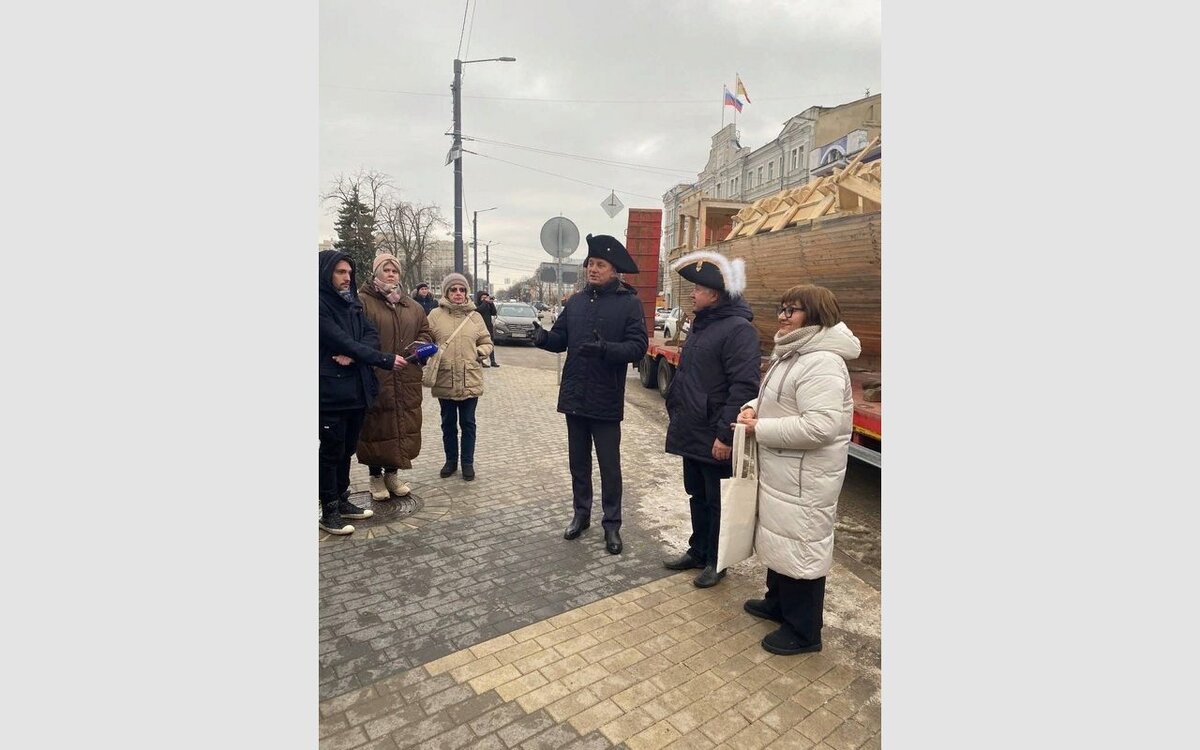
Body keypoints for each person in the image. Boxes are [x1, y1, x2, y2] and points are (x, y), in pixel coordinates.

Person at [736, 284, 861, 655]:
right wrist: (753, 408)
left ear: (816, 315)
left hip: (806, 477)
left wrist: (761, 429)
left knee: (802, 547)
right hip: (787, 470)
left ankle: (805, 631)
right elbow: (778, 398)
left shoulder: (821, 361)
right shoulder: (795, 352)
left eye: (792, 310)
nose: (782, 316)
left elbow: (820, 427)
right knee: (781, 540)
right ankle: (778, 603)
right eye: (782, 308)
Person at [529, 234, 648, 555]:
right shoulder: (577, 301)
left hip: (606, 399)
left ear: (614, 270)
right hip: (575, 396)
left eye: (600, 264)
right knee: (578, 464)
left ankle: (612, 525)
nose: (593, 269)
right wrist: (542, 338)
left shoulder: (629, 303)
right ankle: (581, 516)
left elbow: (639, 347)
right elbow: (561, 339)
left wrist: (606, 350)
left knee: (610, 466)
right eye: (591, 264)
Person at [661, 251, 762, 588]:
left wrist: (723, 435)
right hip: (692, 428)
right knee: (697, 495)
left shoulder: (738, 330)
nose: (692, 294)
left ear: (715, 295)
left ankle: (716, 561)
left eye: (698, 290)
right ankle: (698, 549)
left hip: (713, 433)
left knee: (717, 500)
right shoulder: (704, 326)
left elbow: (743, 388)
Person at [318, 250, 407, 535]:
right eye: (339, 272)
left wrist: (355, 355)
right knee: (330, 452)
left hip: (357, 390)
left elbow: (370, 334)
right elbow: (337, 338)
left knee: (346, 449)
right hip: (330, 392)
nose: (346, 278)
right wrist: (380, 359)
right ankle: (328, 508)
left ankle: (343, 499)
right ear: (325, 273)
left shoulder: (351, 302)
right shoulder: (319, 303)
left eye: (348, 273)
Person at [355, 254, 434, 503]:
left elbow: (425, 332)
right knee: (376, 426)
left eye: (395, 271)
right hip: (376, 376)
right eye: (386, 270)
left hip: (407, 375)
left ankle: (392, 475)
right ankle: (375, 476)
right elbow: (357, 338)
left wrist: (420, 349)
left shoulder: (413, 306)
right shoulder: (362, 302)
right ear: (376, 272)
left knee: (401, 424)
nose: (391, 274)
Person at [426, 273, 493, 481]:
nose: (458, 294)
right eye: (453, 290)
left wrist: (480, 352)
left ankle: (467, 463)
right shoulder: (435, 316)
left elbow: (487, 341)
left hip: (469, 378)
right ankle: (450, 461)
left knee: (468, 423)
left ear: (466, 293)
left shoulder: (475, 317)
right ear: (446, 292)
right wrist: (429, 353)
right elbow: (424, 340)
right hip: (445, 378)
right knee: (447, 423)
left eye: (462, 290)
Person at [474, 290, 500, 367]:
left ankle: (493, 361)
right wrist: (485, 302)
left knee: (490, 343)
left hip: (488, 327)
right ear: (479, 298)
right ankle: (481, 361)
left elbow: (494, 312)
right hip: (479, 327)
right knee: (479, 345)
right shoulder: (476, 304)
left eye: (486, 297)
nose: (485, 299)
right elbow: (479, 310)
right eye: (483, 297)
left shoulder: (488, 304)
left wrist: (491, 304)